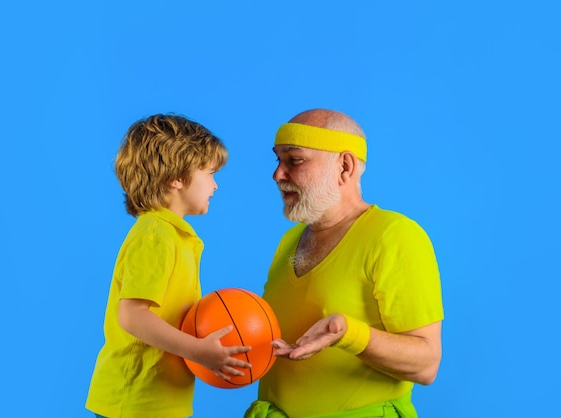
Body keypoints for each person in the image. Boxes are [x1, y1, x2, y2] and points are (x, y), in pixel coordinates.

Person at [245, 109, 444, 418]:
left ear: (345, 167)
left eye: (294, 160)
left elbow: (427, 364)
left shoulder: (395, 236)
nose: (278, 175)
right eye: (278, 160)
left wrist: (348, 334)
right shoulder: (290, 240)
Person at [86, 114, 251, 418]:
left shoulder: (174, 235)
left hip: (161, 399)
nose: (215, 185)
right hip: (135, 401)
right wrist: (198, 350)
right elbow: (133, 317)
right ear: (177, 177)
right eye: (210, 173)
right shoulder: (155, 235)